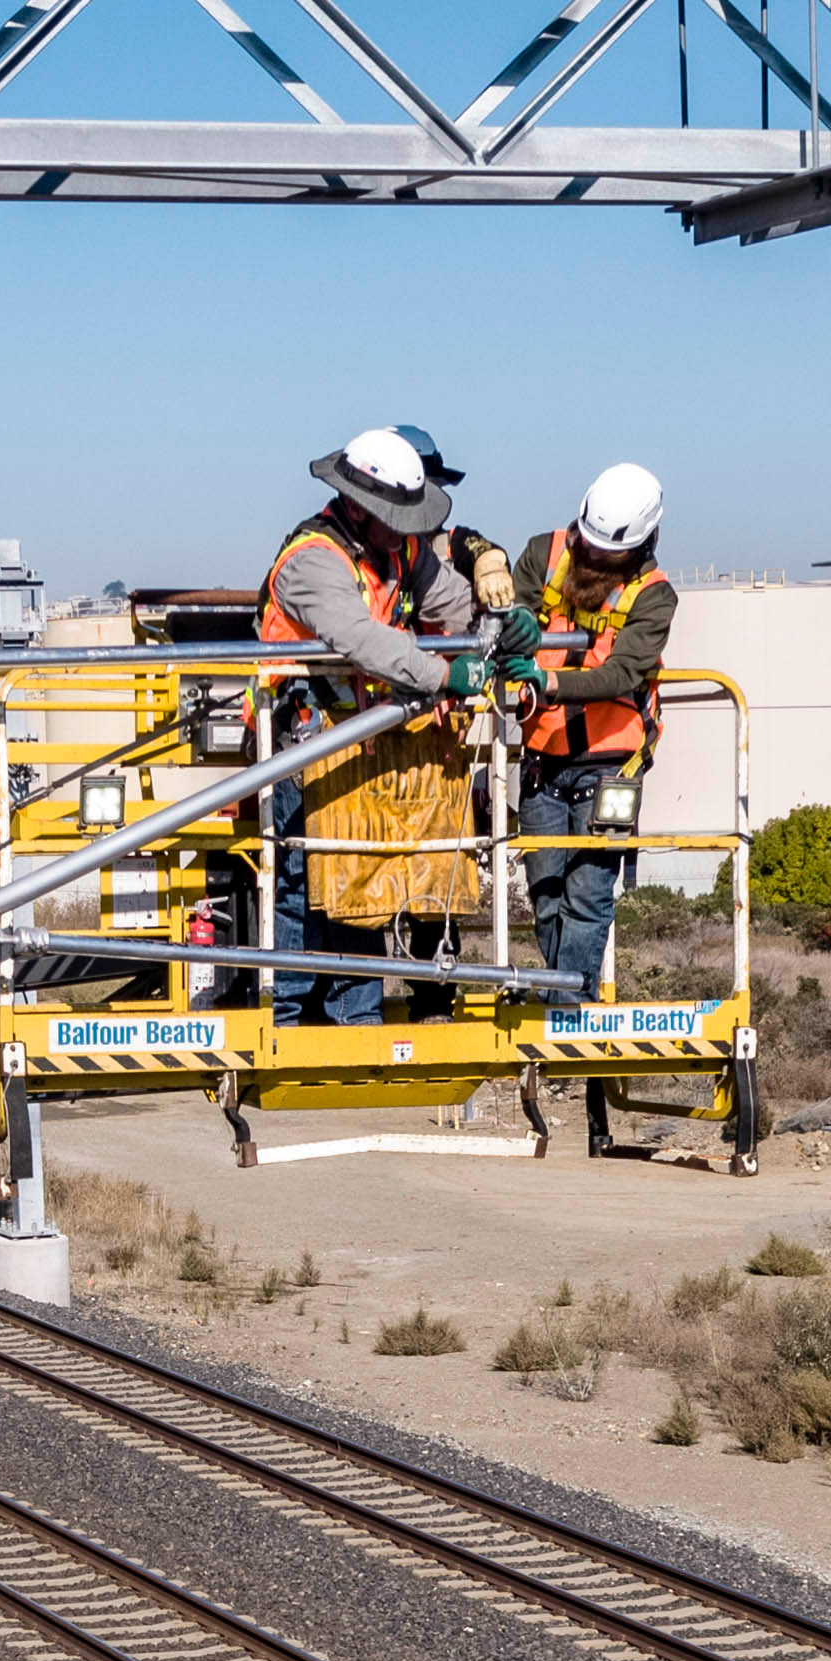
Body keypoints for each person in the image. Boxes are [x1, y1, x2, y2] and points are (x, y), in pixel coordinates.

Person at [249, 427, 489, 1024]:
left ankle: (356, 1018)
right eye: (395, 515)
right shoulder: (311, 562)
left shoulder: (402, 550)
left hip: (365, 739)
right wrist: (443, 674)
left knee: (365, 878)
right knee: (303, 881)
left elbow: (453, 604)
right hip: (302, 744)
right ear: (358, 506)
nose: (410, 528)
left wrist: (501, 622)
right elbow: (362, 639)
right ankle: (291, 1018)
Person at [502, 464, 678, 1140]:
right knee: (545, 888)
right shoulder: (543, 553)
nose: (592, 557)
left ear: (640, 543)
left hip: (613, 763)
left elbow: (622, 673)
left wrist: (543, 681)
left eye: (608, 551)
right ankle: (566, 999)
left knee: (590, 892)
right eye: (589, 543)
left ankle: (563, 1018)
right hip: (544, 758)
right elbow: (514, 612)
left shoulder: (654, 597)